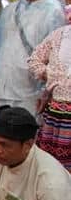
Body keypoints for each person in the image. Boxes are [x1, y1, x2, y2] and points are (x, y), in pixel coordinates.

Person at [0, 0, 66, 120]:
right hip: (1, 89)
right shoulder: (10, 10)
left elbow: (55, 58)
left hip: (29, 95)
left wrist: (44, 92)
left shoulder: (53, 13)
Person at [28, 25, 71, 170]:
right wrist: (50, 75)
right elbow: (34, 60)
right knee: (49, 166)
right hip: (55, 116)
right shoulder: (60, 35)